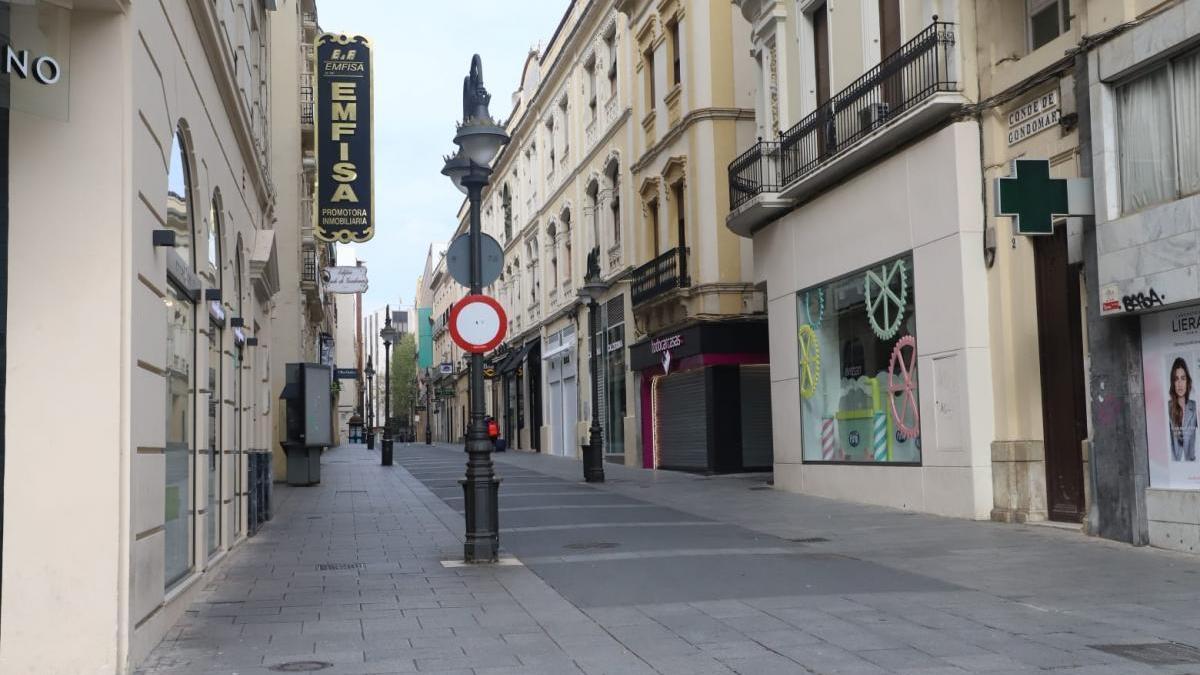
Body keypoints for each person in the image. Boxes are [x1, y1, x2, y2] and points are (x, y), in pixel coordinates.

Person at [1168, 357, 1197, 462]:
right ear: (1173, 383)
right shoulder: (1168, 408)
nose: (1180, 383)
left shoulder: (1194, 406)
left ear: (1187, 381)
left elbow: (1195, 438)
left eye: (1183, 378)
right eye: (1176, 379)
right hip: (1173, 465)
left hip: (1191, 465)